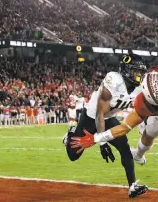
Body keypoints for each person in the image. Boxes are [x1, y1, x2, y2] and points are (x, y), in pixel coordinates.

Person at [70, 0, 158, 166]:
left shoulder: (144, 105)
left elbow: (122, 128)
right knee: (147, 131)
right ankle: (138, 154)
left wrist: (97, 138)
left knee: (148, 133)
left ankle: (138, 155)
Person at [63, 54, 148, 198]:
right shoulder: (113, 81)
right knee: (73, 155)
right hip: (91, 116)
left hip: (108, 118)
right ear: (127, 69)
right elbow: (99, 114)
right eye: (136, 72)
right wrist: (102, 143)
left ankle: (132, 186)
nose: (139, 76)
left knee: (124, 147)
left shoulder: (140, 88)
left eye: (140, 73)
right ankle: (70, 133)